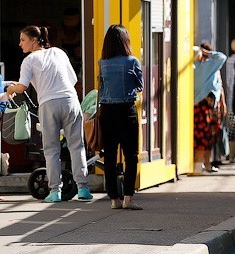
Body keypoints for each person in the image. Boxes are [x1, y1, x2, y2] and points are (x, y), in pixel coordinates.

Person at [5, 25, 92, 202]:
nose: (20, 44)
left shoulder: (29, 60)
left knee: (52, 150)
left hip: (48, 104)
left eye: (23, 39)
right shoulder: (59, 52)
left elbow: (22, 87)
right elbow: (73, 79)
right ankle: (83, 188)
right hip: (70, 101)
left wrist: (10, 88)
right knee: (77, 145)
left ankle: (55, 191)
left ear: (34, 40)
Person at [97, 24, 143, 210]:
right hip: (127, 111)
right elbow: (140, 85)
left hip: (107, 111)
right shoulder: (132, 61)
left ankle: (114, 199)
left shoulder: (103, 63)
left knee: (109, 155)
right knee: (130, 156)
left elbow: (102, 87)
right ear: (126, 41)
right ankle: (128, 198)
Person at [192, 42, 226, 175]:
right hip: (205, 105)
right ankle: (198, 166)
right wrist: (207, 53)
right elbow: (222, 57)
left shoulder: (192, 68)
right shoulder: (206, 67)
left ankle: (199, 164)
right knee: (204, 136)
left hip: (196, 105)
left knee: (199, 135)